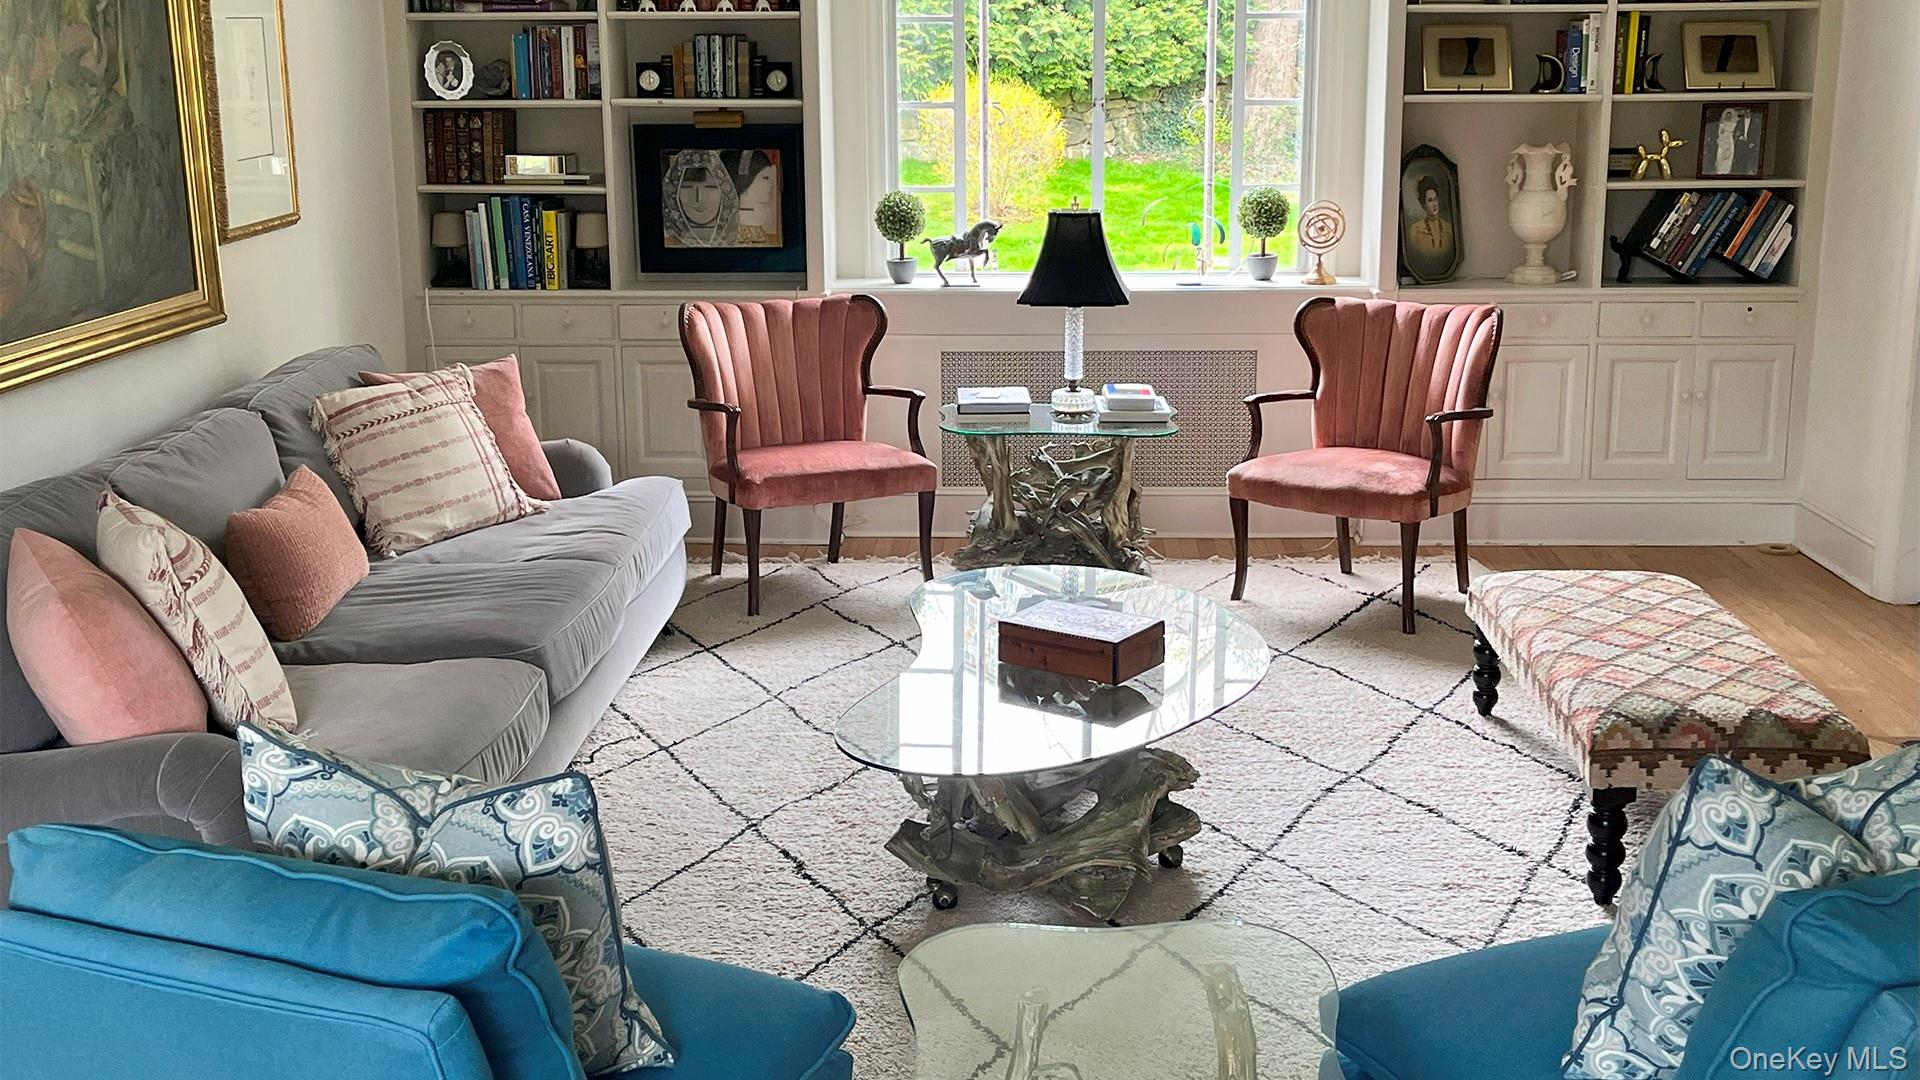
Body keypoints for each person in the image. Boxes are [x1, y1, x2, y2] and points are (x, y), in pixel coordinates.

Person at [1409, 177, 1453, 253]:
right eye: (1430, 200)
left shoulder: (1448, 227)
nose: (1434, 204)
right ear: (1423, 204)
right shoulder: (1416, 230)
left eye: (1435, 199)